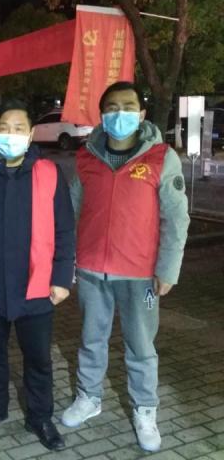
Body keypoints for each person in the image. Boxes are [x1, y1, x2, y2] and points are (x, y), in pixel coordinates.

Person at [61, 82, 190, 452]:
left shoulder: (162, 157)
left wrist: (168, 269)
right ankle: (89, 397)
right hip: (91, 270)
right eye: (112, 107)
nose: (120, 114)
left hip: (140, 275)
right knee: (91, 340)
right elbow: (71, 212)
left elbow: (176, 218)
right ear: (102, 115)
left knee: (141, 345)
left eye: (128, 106)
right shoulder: (86, 157)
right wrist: (66, 261)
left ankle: (145, 409)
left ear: (142, 114)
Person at [0, 99, 75, 451]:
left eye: (19, 128)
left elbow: (65, 229)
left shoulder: (48, 173)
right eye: (4, 127)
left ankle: (40, 416)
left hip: (36, 285)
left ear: (31, 133)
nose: (11, 134)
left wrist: (61, 278)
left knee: (38, 359)